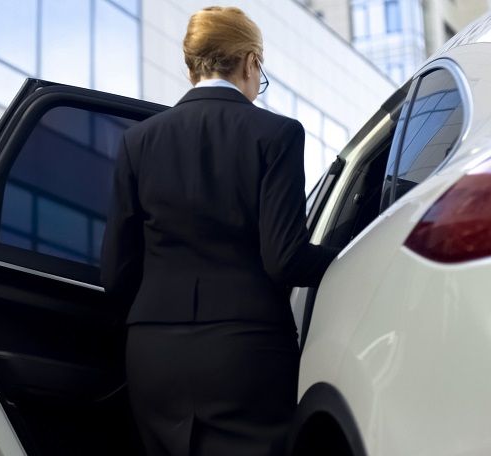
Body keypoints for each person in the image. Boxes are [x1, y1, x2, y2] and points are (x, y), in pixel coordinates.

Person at [101, 6, 339, 456]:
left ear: (191, 66)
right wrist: (348, 258)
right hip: (245, 349)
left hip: (154, 352)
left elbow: (116, 271)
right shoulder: (277, 134)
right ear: (250, 62)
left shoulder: (138, 140)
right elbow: (284, 258)